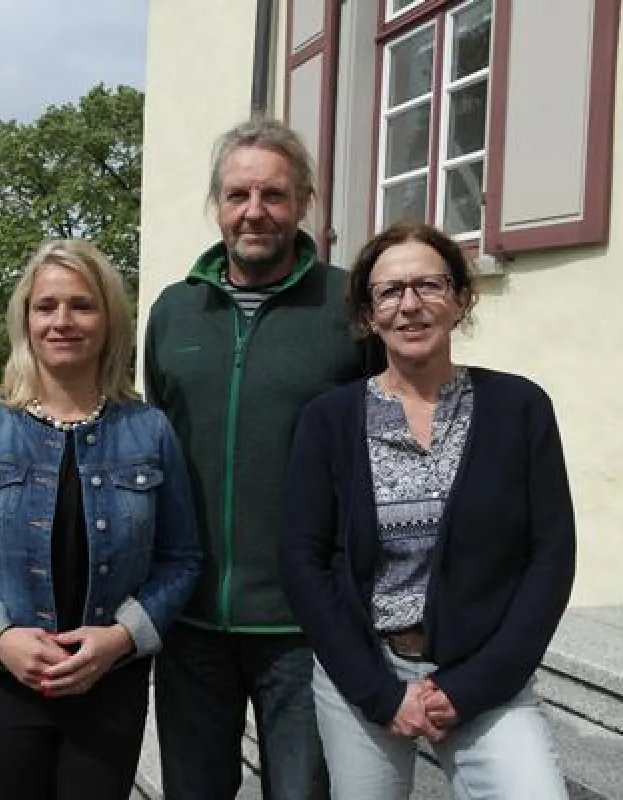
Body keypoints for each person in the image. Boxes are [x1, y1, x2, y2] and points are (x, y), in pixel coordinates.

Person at [279, 221, 575, 799]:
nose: (410, 306)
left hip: (483, 673)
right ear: (367, 315)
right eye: (389, 292)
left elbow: (551, 556)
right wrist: (381, 693)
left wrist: (471, 687)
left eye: (429, 286)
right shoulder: (329, 420)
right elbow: (302, 560)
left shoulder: (519, 408)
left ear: (461, 298)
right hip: (365, 673)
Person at [0, 238, 203, 800]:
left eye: (82, 305)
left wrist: (123, 638)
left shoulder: (150, 431)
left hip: (108, 690)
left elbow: (182, 558)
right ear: (26, 320)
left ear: (109, 318)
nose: (63, 321)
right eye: (46, 306)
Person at [143, 117, 378, 799]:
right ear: (218, 203)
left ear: (304, 201)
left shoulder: (349, 306)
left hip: (305, 625)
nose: (254, 211)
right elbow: (160, 436)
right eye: (238, 194)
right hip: (190, 622)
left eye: (273, 195)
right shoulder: (173, 312)